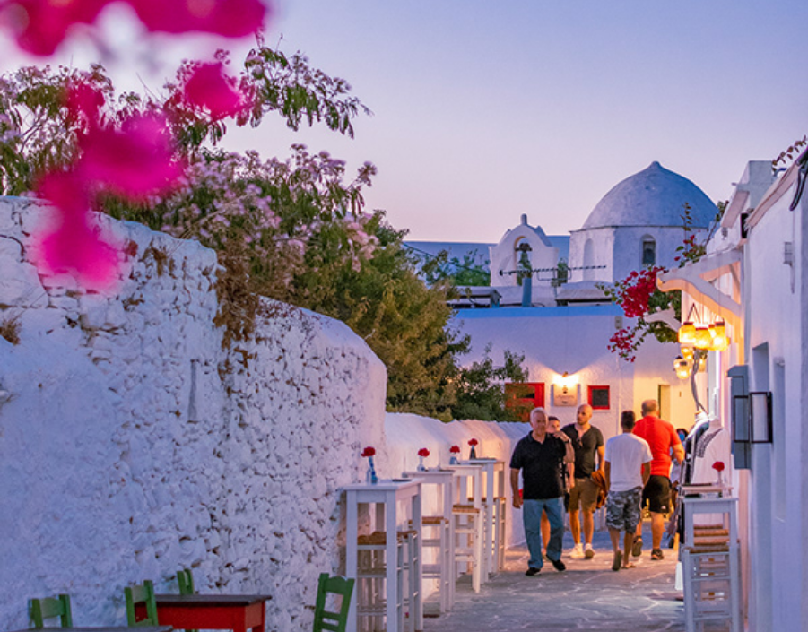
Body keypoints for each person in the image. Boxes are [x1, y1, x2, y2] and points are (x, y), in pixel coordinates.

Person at [510, 407, 571, 575]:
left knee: (559, 526)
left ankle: (553, 554)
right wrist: (515, 494)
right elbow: (514, 470)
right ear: (531, 423)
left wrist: (567, 442)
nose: (541, 425)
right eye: (538, 421)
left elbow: (570, 458)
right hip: (532, 494)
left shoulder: (555, 441)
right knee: (532, 530)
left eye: (544, 421)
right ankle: (536, 562)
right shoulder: (523, 444)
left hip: (554, 492)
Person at [632, 399, 684, 560]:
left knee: (636, 509)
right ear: (658, 411)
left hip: (639, 474)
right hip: (660, 474)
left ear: (642, 412)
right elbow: (678, 450)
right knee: (657, 513)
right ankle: (656, 549)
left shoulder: (635, 427)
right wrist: (684, 470)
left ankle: (637, 538)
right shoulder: (667, 426)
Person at [604, 410, 652, 571]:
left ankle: (616, 549)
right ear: (634, 424)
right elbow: (648, 468)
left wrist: (608, 486)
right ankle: (625, 559)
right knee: (631, 525)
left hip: (616, 487)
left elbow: (607, 466)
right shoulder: (641, 443)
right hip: (634, 487)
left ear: (621, 423)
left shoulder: (611, 442)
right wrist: (642, 484)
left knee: (614, 523)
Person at [562, 403, 604, 559]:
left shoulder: (595, 433)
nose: (580, 415)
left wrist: (600, 474)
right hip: (571, 477)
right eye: (579, 412)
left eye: (583, 413)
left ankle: (589, 544)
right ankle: (577, 544)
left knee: (588, 512)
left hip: (588, 478)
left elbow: (601, 455)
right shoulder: (567, 431)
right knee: (572, 511)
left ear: (590, 416)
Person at [541, 415, 575, 557]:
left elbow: (570, 460)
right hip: (543, 482)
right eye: (552, 426)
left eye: (557, 426)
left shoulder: (562, 442)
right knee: (544, 516)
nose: (555, 429)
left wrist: (571, 478)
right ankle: (546, 547)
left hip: (558, 483)